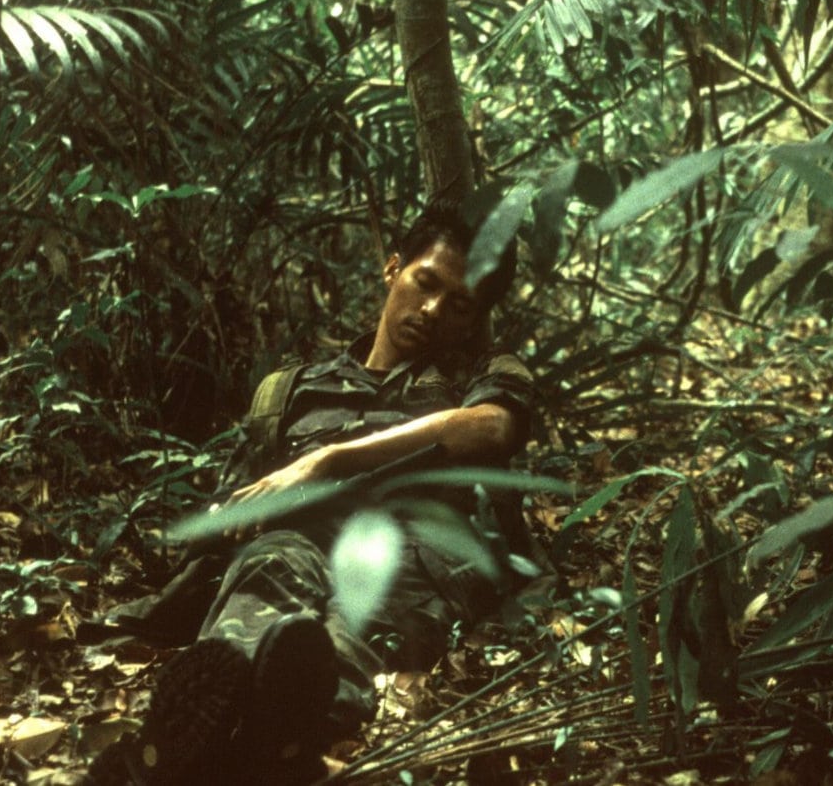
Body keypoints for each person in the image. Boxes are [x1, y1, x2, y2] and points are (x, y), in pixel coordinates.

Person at [87, 202, 536, 785]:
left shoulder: (481, 374)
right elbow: (240, 501)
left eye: (458, 304)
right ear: (392, 268)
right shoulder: (293, 389)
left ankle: (219, 752)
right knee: (267, 572)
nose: (431, 310)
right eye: (425, 283)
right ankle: (230, 738)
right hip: (291, 546)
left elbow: (490, 426)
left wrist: (326, 460)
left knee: (334, 651)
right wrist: (226, 518)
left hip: (402, 563)